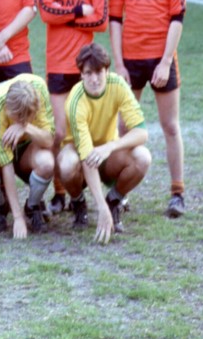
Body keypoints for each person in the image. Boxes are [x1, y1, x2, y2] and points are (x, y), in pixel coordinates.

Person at [108, 0, 187, 218]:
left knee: (170, 126)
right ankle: (120, 191)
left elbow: (177, 17)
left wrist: (166, 61)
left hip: (161, 56)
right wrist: (119, 64)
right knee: (123, 126)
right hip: (131, 58)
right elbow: (115, 18)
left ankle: (178, 193)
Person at [38, 0, 107, 215]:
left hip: (86, 68)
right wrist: (80, 9)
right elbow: (46, 13)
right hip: (57, 64)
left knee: (87, 130)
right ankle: (60, 191)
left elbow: (101, 20)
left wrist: (64, 14)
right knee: (59, 132)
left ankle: (94, 189)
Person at [58, 43, 153, 244]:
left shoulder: (118, 85)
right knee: (66, 163)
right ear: (81, 74)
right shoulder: (75, 101)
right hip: (81, 157)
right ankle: (78, 202)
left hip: (108, 152)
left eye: (99, 72)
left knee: (143, 157)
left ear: (107, 70)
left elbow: (141, 132)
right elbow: (87, 158)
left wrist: (110, 147)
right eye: (88, 73)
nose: (94, 79)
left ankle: (114, 200)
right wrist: (99, 207)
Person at [0, 74, 55, 239]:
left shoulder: (40, 88)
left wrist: (26, 127)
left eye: (27, 117)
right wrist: (17, 218)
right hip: (1, 142)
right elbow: (6, 164)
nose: (21, 121)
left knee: (47, 162)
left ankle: (32, 207)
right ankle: (0, 207)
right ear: (8, 109)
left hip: (28, 145)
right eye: (17, 118)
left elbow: (49, 140)